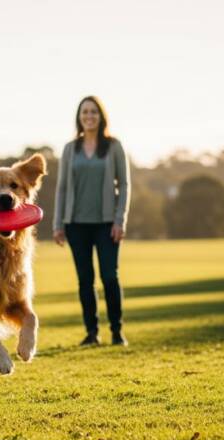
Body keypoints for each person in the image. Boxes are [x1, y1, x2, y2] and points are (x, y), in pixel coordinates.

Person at [53, 96, 131, 346]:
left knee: (110, 277)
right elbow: (62, 188)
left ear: (101, 116)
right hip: (76, 224)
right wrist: (58, 223)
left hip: (107, 223)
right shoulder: (69, 149)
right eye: (85, 112)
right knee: (85, 280)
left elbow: (125, 185)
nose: (89, 116)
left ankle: (117, 332)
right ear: (79, 117)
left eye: (94, 112)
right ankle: (91, 334)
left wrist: (120, 219)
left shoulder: (114, 146)